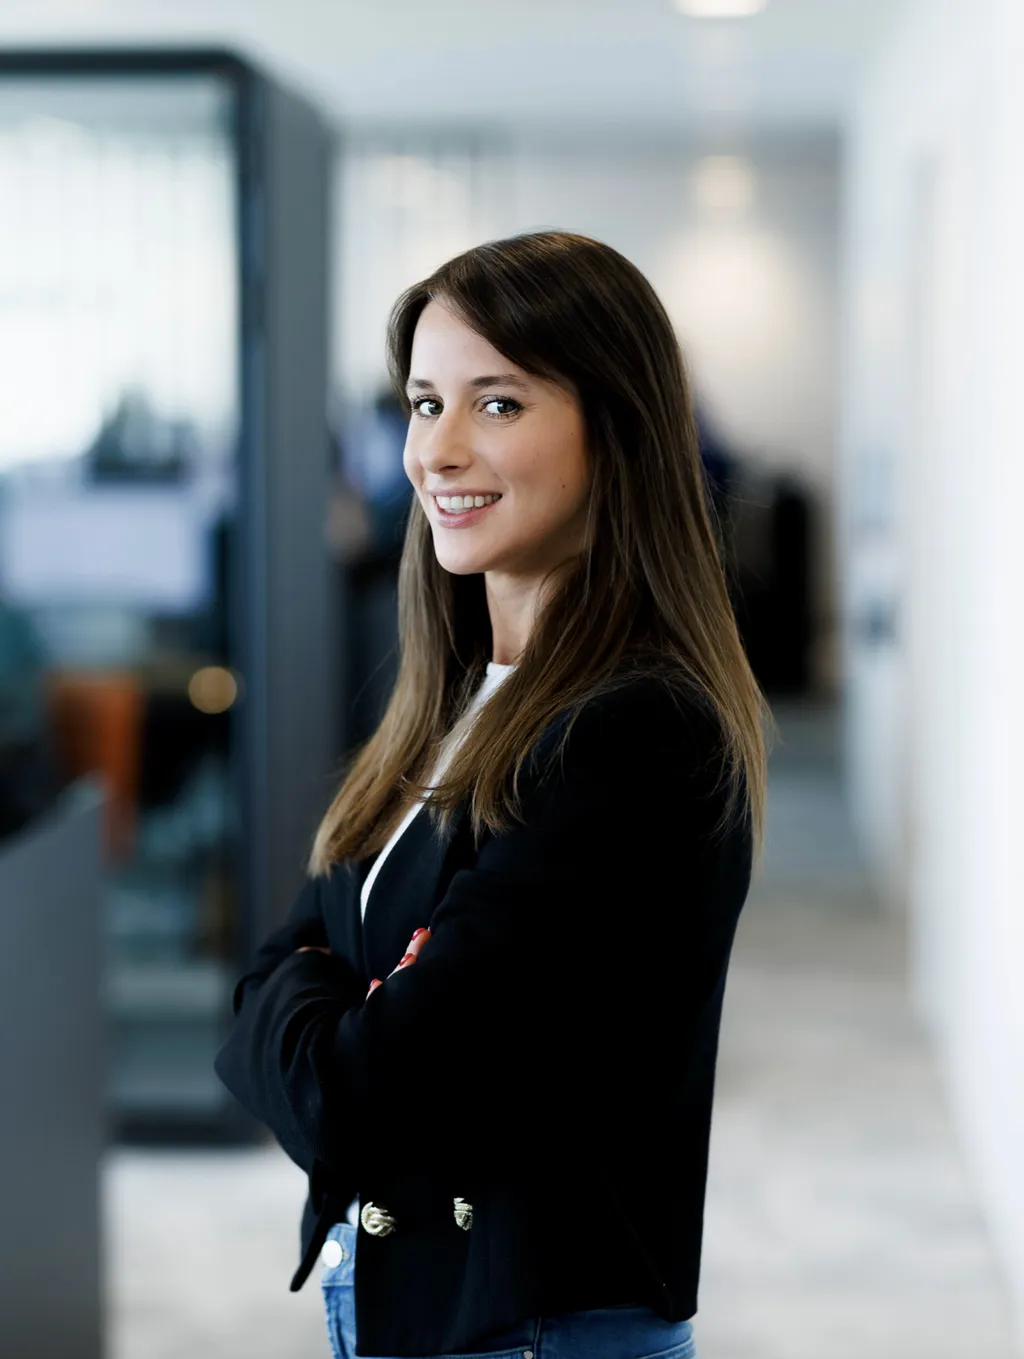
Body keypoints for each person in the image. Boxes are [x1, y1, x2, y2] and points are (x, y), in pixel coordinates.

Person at [214, 230, 773, 1359]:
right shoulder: (462, 697)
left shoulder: (632, 733)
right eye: (424, 403)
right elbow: (272, 972)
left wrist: (320, 1002)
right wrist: (322, 998)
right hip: (410, 1300)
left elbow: (362, 1101)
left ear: (613, 430)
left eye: (499, 404)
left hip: (531, 1330)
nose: (439, 451)